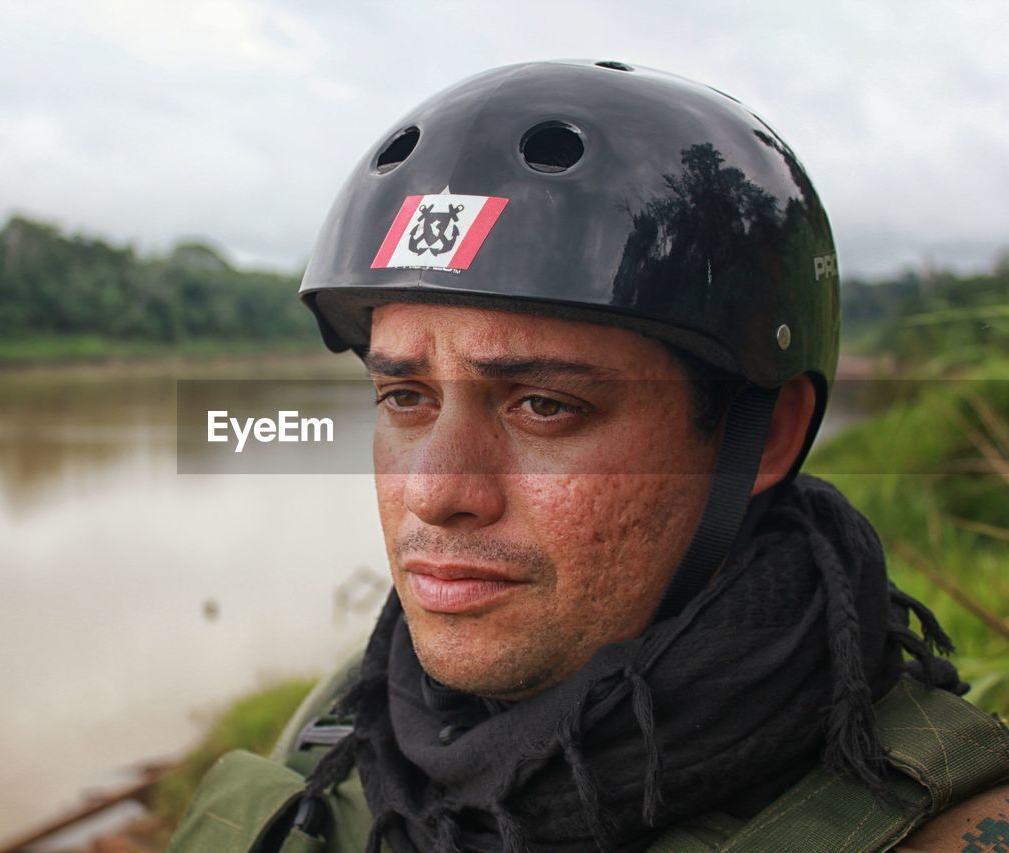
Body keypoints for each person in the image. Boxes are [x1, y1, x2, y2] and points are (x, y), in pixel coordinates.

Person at [169, 61, 1009, 852]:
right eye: (406, 397)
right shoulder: (342, 723)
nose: (434, 491)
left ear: (769, 436)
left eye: (544, 406)